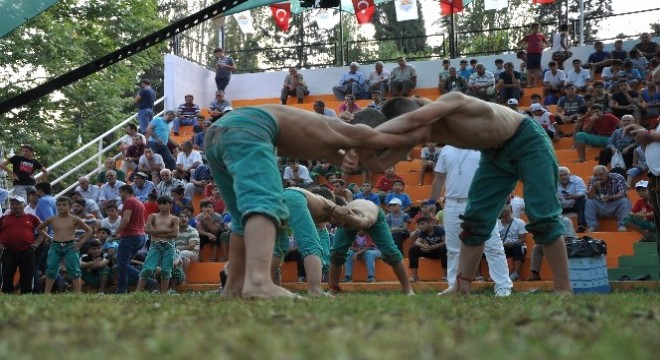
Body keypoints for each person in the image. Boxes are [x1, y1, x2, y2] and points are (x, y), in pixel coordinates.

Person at [204, 105, 425, 299]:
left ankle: (232, 287)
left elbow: (355, 164)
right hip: (248, 130)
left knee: (244, 217)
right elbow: (382, 143)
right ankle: (260, 282)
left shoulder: (326, 137)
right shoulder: (348, 129)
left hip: (215, 134)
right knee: (265, 206)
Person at [364, 92, 572, 294]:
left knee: (542, 216)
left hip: (527, 140)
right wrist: (355, 151)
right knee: (475, 220)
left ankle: (563, 288)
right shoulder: (426, 131)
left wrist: (377, 133)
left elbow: (413, 120)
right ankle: (461, 287)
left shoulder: (453, 101)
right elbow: (382, 161)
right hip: (494, 155)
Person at [429, 145, 513, 297]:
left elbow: (497, 173)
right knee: (454, 249)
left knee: (492, 245)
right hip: (452, 203)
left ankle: (503, 286)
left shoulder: (482, 145)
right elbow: (440, 177)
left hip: (481, 202)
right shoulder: (446, 149)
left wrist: (504, 200)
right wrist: (430, 202)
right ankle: (454, 286)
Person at [328, 199, 415, 295]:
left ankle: (407, 289)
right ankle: (333, 288)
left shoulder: (366, 220)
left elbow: (363, 224)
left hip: (373, 217)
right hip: (348, 214)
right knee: (337, 253)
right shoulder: (341, 215)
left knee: (391, 253)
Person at [36, 196, 93, 294]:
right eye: (58, 205)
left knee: (74, 269)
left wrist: (80, 243)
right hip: (55, 246)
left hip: (70, 245)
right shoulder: (52, 219)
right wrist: (50, 238)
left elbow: (89, 230)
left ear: (70, 206)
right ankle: (46, 293)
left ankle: (77, 293)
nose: (61, 207)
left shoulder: (74, 219)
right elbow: (39, 228)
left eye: (64, 205)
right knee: (51, 269)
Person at [136, 196, 179, 293]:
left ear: (170, 204)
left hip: (169, 246)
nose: (162, 206)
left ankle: (163, 295)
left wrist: (155, 232)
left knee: (166, 271)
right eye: (160, 204)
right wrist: (166, 230)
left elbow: (175, 234)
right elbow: (147, 230)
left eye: (164, 203)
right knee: (147, 269)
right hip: (155, 245)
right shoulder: (152, 216)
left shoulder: (174, 219)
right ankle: (137, 292)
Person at [0, 195, 42, 294]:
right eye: (13, 204)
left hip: (27, 250)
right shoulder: (4, 218)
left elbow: (43, 228)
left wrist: (38, 241)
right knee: (7, 275)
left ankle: (26, 294)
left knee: (27, 275)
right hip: (8, 250)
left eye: (18, 204)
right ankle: (7, 294)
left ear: (24, 205)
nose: (15, 206)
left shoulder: (31, 217)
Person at [113, 185, 146, 294]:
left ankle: (148, 281)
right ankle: (121, 290)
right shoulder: (139, 202)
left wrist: (115, 233)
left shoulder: (128, 202)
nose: (119, 195)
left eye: (120, 192)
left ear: (125, 192)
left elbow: (125, 220)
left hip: (130, 237)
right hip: (140, 237)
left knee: (121, 264)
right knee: (124, 265)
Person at [584, 165, 632, 232]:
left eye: (601, 175)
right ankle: (592, 226)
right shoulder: (593, 180)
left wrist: (610, 197)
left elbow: (623, 193)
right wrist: (593, 188)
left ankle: (622, 225)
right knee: (589, 201)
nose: (598, 177)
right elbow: (590, 196)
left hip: (615, 205)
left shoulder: (618, 178)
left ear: (607, 173)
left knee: (624, 201)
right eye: (596, 175)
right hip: (601, 205)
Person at [407, 216, 447, 283]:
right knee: (413, 249)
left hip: (439, 252)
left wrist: (432, 247)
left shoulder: (439, 229)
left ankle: (445, 276)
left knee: (444, 248)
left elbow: (446, 242)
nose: (420, 226)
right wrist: (424, 246)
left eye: (422, 224)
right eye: (419, 224)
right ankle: (414, 276)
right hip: (429, 251)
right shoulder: (423, 232)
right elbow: (417, 242)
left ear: (430, 223)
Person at [497, 203, 528, 281]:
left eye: (507, 212)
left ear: (511, 212)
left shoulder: (520, 222)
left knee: (518, 247)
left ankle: (516, 273)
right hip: (502, 246)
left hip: (517, 245)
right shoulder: (496, 224)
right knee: (496, 249)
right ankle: (498, 274)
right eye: (504, 212)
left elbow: (523, 239)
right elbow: (494, 239)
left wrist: (513, 243)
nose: (506, 215)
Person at [517, 22, 550, 87]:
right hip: (530, 54)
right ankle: (529, 84)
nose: (537, 29)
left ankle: (534, 84)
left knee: (536, 69)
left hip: (538, 54)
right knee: (529, 69)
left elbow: (548, 43)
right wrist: (525, 47)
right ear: (532, 28)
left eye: (538, 28)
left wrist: (543, 47)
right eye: (536, 28)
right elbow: (519, 43)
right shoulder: (528, 36)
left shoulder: (541, 36)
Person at [557, 166, 587, 233]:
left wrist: (572, 196)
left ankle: (581, 226)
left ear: (570, 174)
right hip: (561, 206)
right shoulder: (553, 183)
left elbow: (582, 193)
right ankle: (557, 228)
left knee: (583, 200)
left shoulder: (578, 180)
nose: (563, 177)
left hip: (575, 205)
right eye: (560, 176)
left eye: (565, 174)